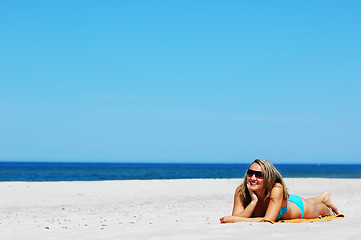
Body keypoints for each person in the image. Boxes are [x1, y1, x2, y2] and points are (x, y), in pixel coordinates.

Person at [220, 159, 338, 223]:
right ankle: (323, 197)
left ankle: (324, 203)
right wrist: (253, 202)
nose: (253, 178)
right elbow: (236, 217)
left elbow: (268, 220)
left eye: (259, 175)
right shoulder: (241, 190)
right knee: (307, 201)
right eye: (250, 173)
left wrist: (236, 219)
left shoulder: (277, 188)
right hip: (282, 201)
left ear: (268, 177)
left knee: (318, 210)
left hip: (299, 208)